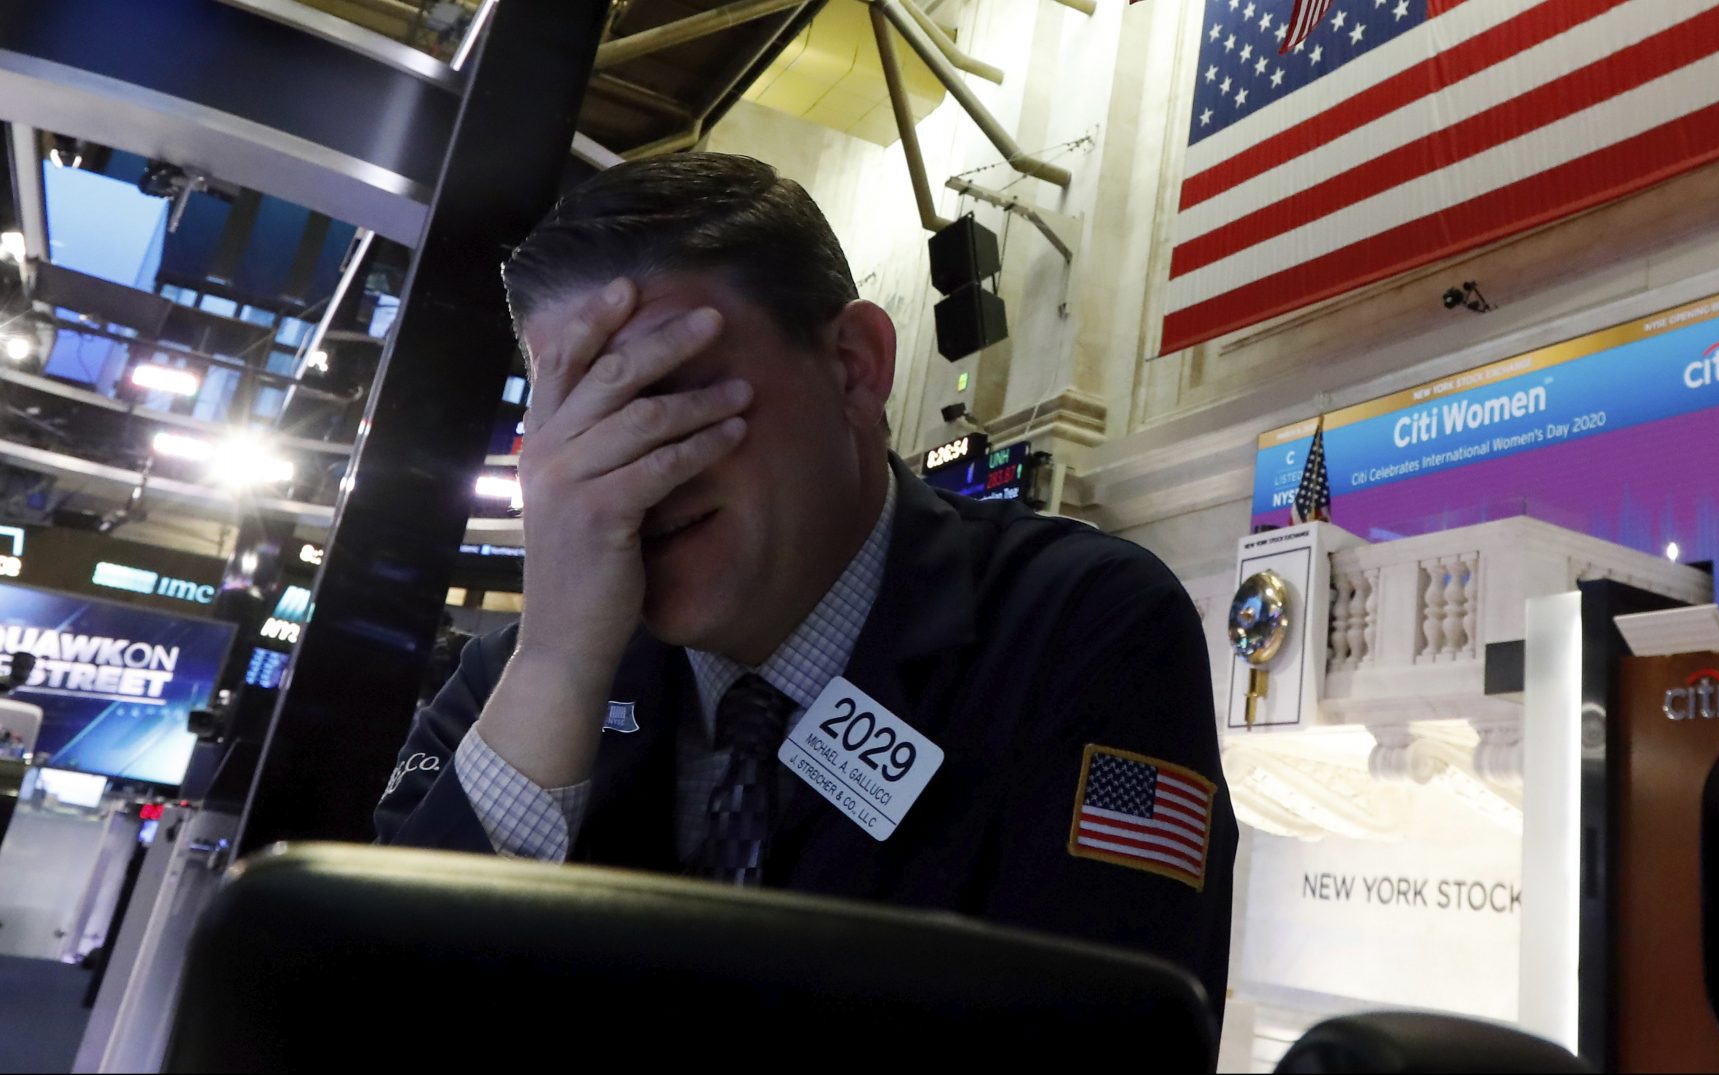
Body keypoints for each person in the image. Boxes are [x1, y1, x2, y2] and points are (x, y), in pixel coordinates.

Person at [375, 153, 1236, 1014]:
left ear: (855, 366)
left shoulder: (1080, 631)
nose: (628, 476)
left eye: (666, 398)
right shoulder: (509, 685)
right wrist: (559, 662)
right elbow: (369, 1017)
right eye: (582, 420)